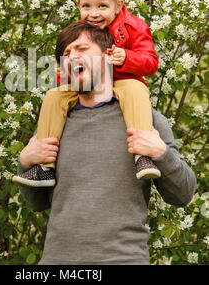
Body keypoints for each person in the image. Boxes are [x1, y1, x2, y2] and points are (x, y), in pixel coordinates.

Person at [16, 23, 196, 265]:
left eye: (81, 48)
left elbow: (183, 194)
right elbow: (36, 203)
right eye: (66, 54)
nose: (73, 57)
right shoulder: (54, 122)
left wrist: (161, 153)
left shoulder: (144, 119)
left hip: (124, 260)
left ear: (108, 56)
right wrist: (25, 162)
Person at [13, 0, 160, 187]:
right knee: (53, 96)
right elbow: (71, 63)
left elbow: (151, 62)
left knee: (135, 89)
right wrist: (65, 77)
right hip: (88, 88)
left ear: (119, 5)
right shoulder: (79, 32)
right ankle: (44, 167)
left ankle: (142, 156)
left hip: (122, 82)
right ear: (78, 5)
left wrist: (127, 58)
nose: (94, 14)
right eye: (87, 6)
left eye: (102, 6)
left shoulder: (134, 26)